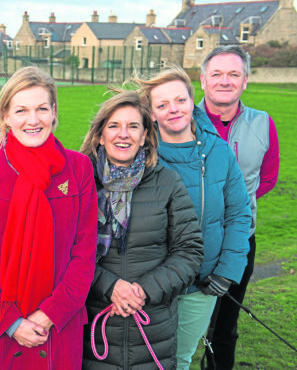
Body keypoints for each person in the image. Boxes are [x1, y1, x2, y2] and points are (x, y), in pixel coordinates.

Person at [0, 66, 97, 369]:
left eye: (41, 109)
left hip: (56, 330)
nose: (33, 120)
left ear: (54, 112)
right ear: (5, 115)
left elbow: (84, 255)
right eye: (21, 110)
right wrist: (11, 323)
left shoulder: (79, 168)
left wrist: (48, 316)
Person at [134, 66, 252, 369]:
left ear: (192, 100)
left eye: (180, 100)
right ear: (151, 113)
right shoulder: (141, 155)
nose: (173, 110)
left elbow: (239, 214)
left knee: (180, 359)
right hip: (150, 282)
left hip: (202, 283)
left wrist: (227, 270)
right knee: (145, 359)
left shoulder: (219, 151)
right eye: (162, 105)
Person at [81, 90, 204, 370]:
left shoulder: (168, 183)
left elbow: (189, 251)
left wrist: (143, 291)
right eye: (114, 125)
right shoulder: (80, 182)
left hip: (153, 328)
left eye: (133, 126)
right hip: (94, 329)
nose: (123, 134)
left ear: (145, 135)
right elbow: (63, 252)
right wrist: (109, 287)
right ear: (100, 135)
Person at [199, 45, 280, 370]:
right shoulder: (179, 120)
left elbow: (268, 177)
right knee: (171, 323)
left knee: (224, 327)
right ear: (202, 80)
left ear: (245, 80)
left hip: (239, 241)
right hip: (185, 242)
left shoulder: (263, 123)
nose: (225, 81)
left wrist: (231, 209)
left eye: (233, 74)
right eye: (217, 74)